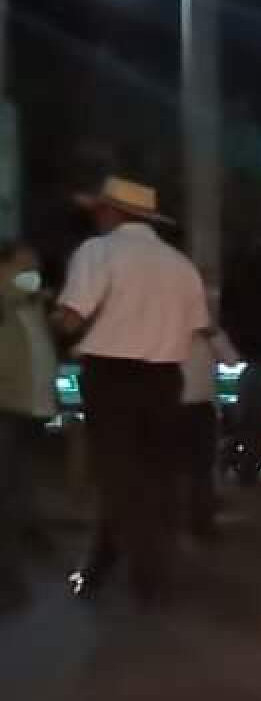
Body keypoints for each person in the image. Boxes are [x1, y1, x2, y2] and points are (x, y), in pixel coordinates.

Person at [52, 177, 209, 604]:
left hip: (112, 377)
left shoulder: (98, 252)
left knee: (119, 478)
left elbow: (72, 316)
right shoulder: (181, 265)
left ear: (111, 212)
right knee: (155, 478)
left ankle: (141, 578)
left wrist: (55, 317)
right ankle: (116, 569)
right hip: (163, 379)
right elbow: (198, 326)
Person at [0, 242, 58, 612]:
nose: (34, 268)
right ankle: (9, 584)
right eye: (27, 261)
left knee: (18, 490)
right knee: (7, 495)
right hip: (5, 405)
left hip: (30, 407)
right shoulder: (12, 293)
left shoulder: (30, 299)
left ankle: (16, 572)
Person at [178, 292, 240, 538]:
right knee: (179, 468)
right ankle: (181, 519)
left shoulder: (211, 335)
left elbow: (233, 360)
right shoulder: (169, 331)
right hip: (176, 406)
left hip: (203, 408)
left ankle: (201, 522)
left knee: (202, 468)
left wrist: (213, 333)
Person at [234, 358, 261, 484]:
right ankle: (255, 473)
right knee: (260, 447)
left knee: (254, 447)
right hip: (259, 417)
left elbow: (243, 398)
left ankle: (249, 475)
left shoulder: (247, 374)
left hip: (252, 417)